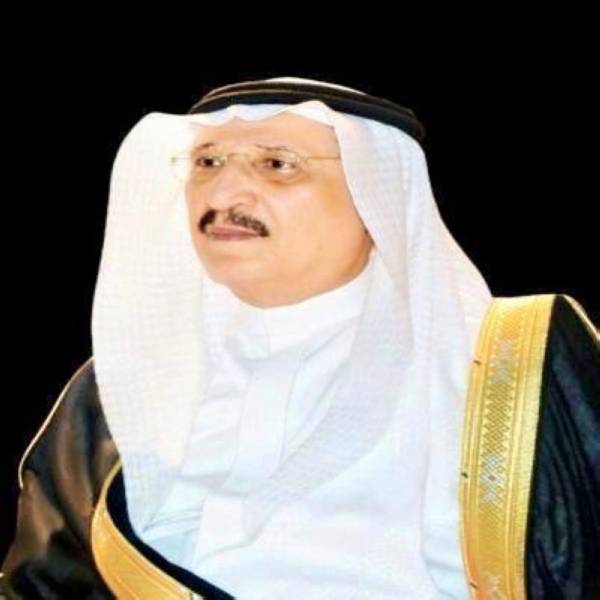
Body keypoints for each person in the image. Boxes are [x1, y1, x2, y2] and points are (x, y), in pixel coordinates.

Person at [1, 77, 598, 599]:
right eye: (207, 162)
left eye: (277, 164)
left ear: (377, 195)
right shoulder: (126, 382)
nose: (222, 194)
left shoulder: (511, 365)